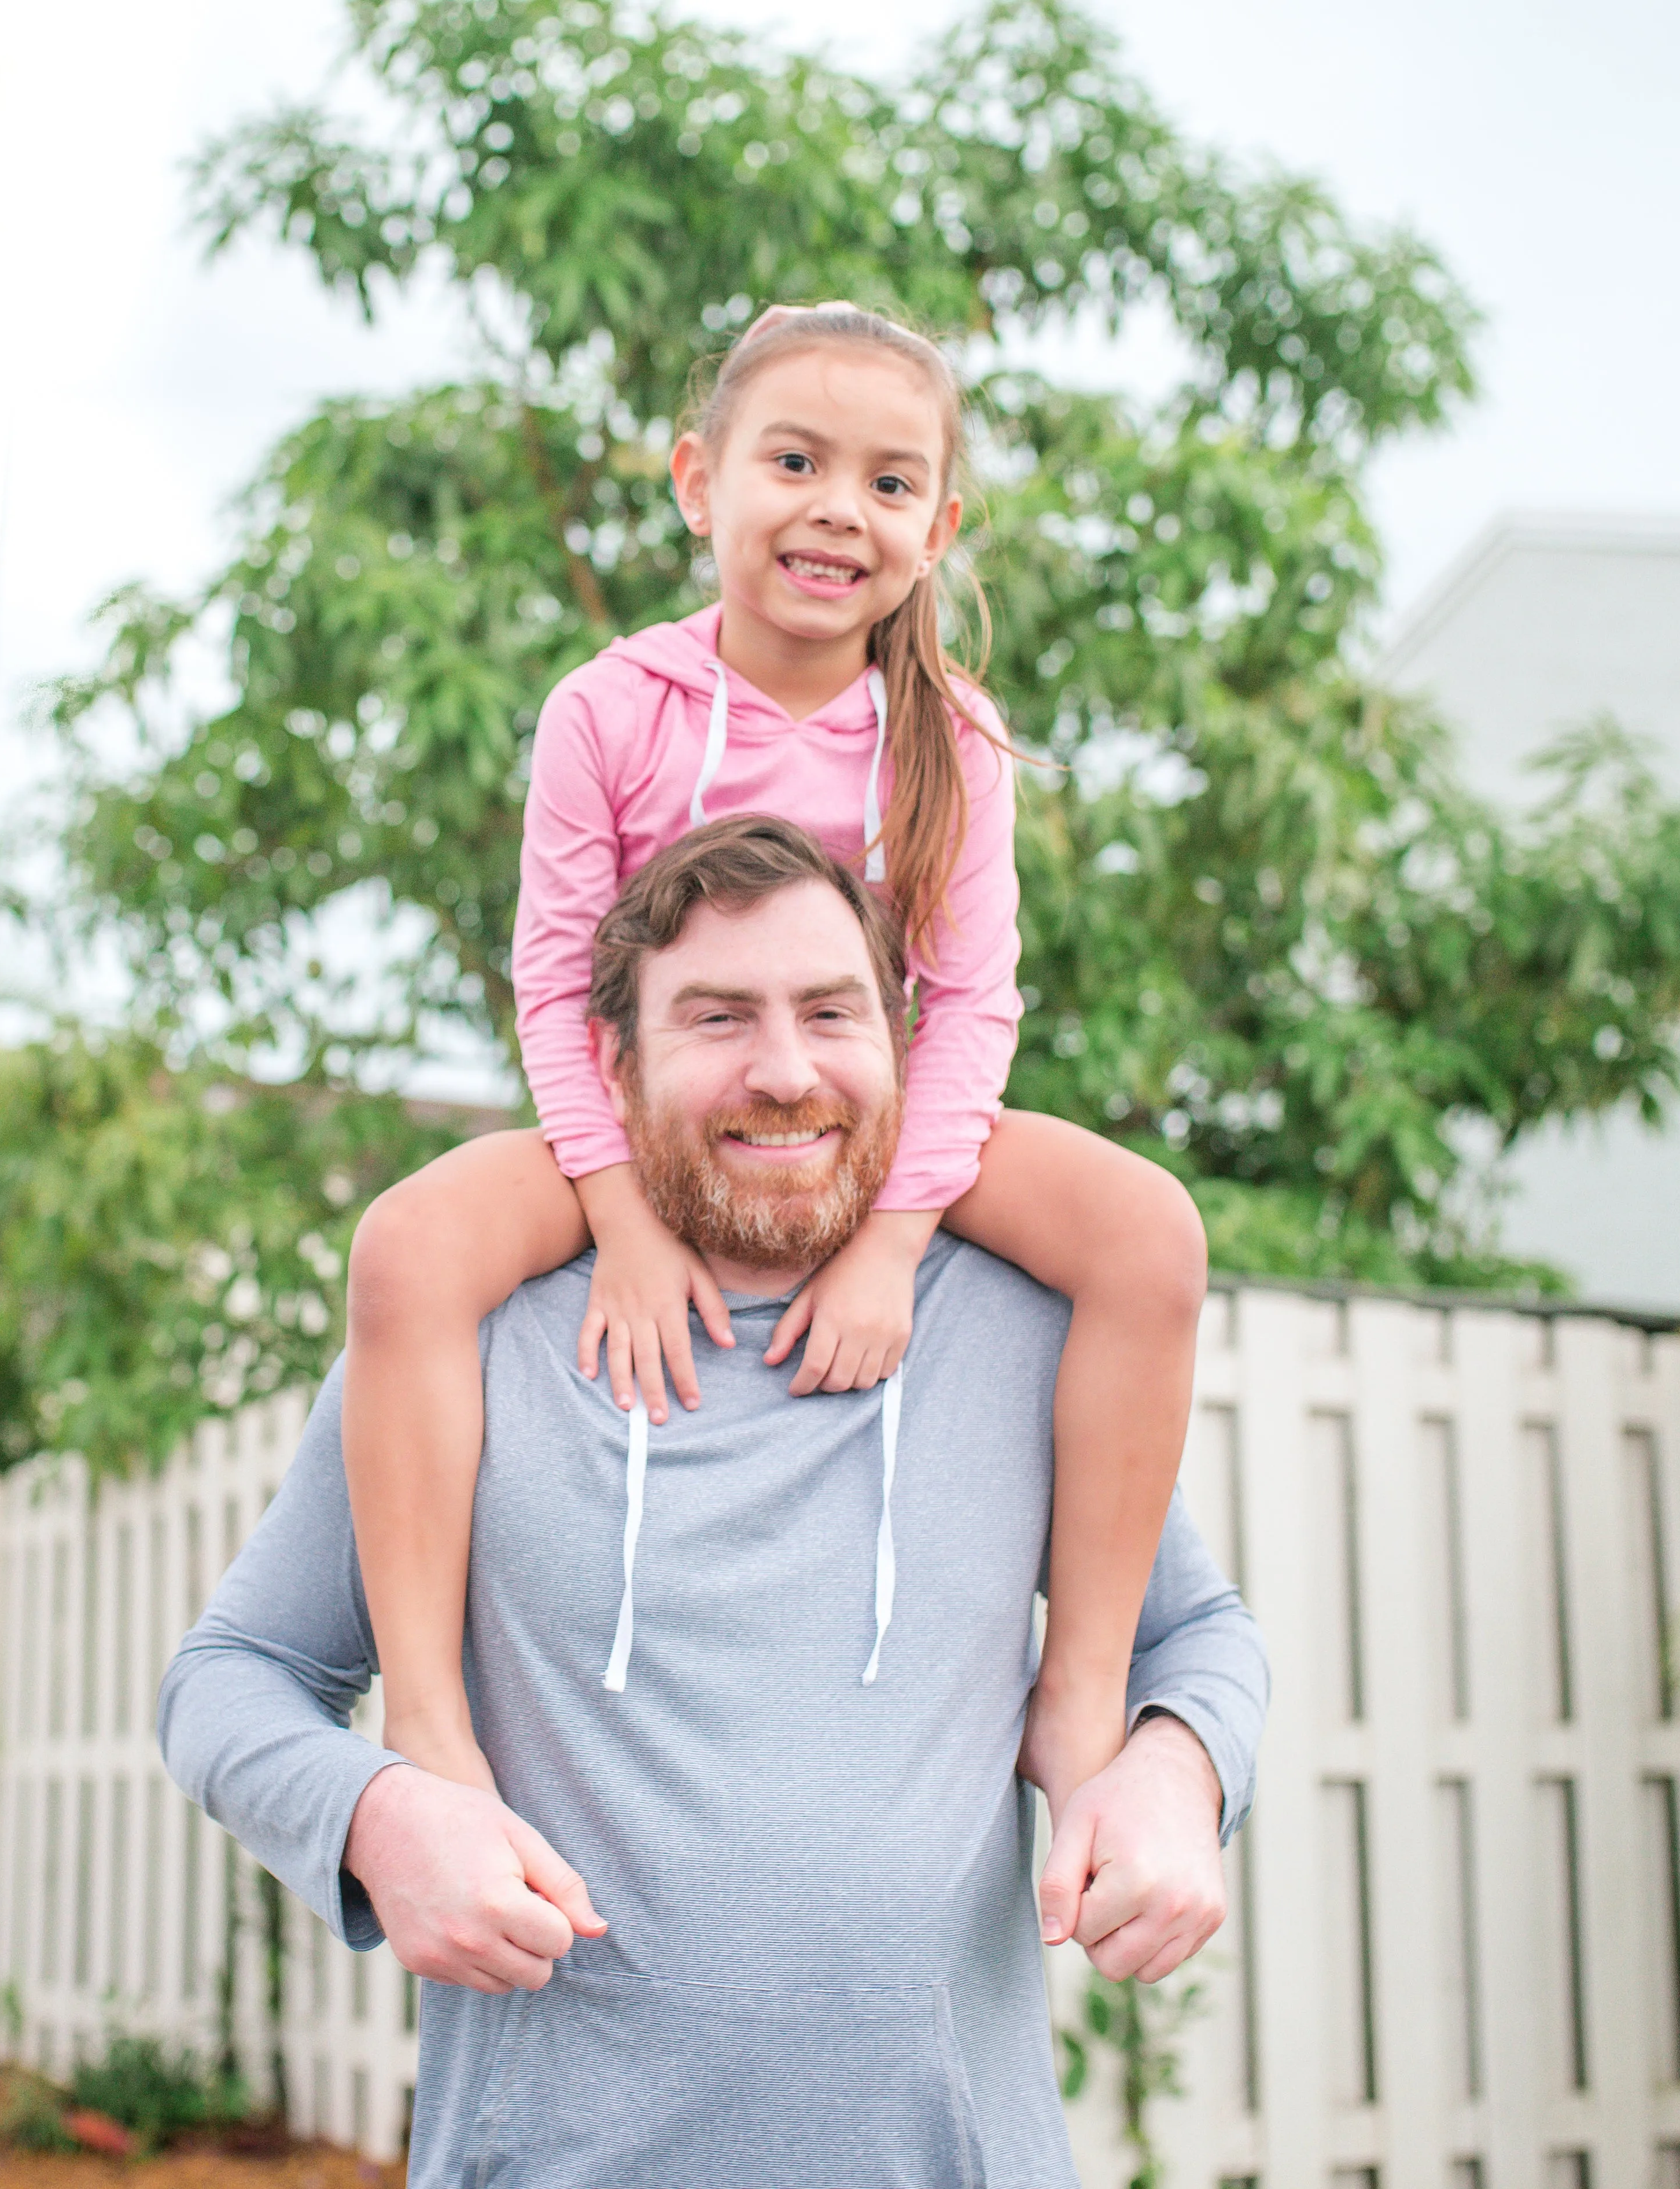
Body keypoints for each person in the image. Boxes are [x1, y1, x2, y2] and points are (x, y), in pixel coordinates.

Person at [160, 815, 1266, 2184]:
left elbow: (1193, 1633)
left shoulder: (1031, 1335)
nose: (787, 1070)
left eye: (829, 1012)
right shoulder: (464, 1348)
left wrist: (1174, 1769)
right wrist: (382, 1815)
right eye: (717, 1017)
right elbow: (232, 1676)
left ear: (906, 1046)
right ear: (615, 1066)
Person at [341, 302, 1209, 1829]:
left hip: (871, 1129)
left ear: (935, 525)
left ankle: (1074, 1692)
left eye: (886, 483)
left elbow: (971, 1009)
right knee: (407, 1246)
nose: (835, 510)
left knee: (1150, 1233)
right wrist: (615, 1215)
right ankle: (425, 1710)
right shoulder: (608, 708)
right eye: (792, 460)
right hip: (645, 1122)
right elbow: (553, 983)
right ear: (698, 480)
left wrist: (889, 1243)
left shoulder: (950, 737)